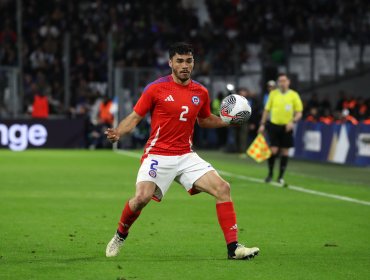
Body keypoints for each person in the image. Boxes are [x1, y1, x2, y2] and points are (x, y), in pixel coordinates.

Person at [104, 42, 259, 260]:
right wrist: (119, 132)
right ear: (170, 63)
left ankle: (233, 248)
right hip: (158, 153)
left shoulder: (201, 91)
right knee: (141, 198)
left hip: (186, 155)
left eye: (189, 61)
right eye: (180, 61)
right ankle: (120, 235)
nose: (185, 65)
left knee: (223, 188)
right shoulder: (156, 88)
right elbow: (135, 117)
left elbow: (204, 121)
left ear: (193, 63)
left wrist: (227, 121)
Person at [258, 73, 303, 186]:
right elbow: (266, 110)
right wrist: (262, 124)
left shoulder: (294, 95)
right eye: (280, 81)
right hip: (274, 125)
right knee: (273, 150)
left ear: (288, 82)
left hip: (287, 127)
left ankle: (280, 177)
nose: (282, 83)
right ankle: (270, 174)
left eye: (284, 81)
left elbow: (299, 112)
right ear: (278, 83)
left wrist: (292, 122)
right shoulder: (273, 94)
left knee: (285, 151)